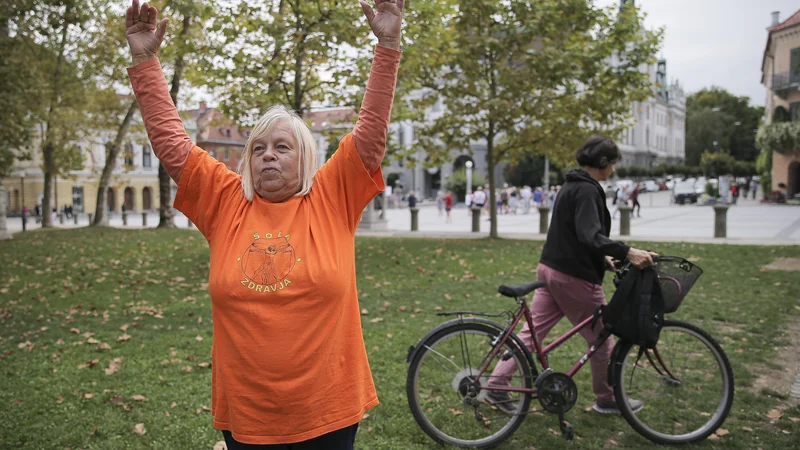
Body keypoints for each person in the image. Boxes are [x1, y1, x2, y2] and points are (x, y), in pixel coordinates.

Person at [124, 0, 404, 447]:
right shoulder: (224, 200)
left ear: (306, 158)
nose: (267, 155)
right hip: (248, 415)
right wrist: (144, 61)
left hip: (327, 412)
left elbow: (370, 133)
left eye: (281, 147)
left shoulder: (331, 196)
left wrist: (387, 45)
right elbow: (173, 143)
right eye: (258, 148)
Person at [487, 136, 657, 415]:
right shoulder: (588, 191)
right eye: (612, 164)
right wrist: (628, 252)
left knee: (531, 335)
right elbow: (590, 234)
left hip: (551, 268)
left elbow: (573, 234)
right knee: (602, 338)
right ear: (603, 163)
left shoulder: (571, 185)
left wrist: (601, 258)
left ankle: (496, 385)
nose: (613, 170)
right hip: (573, 276)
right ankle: (607, 397)